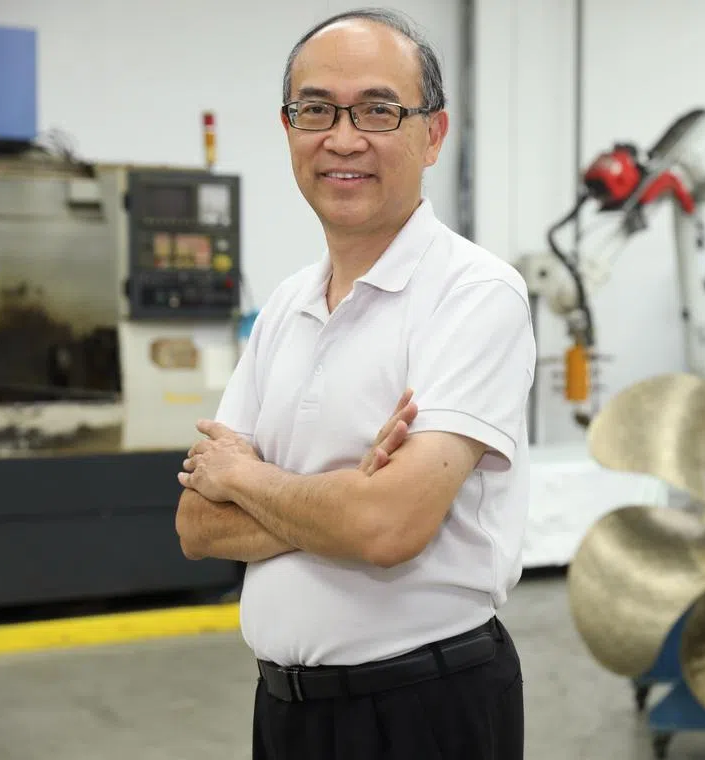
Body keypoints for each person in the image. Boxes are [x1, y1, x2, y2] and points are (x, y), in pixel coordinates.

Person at [173, 8, 536, 760]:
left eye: (378, 110)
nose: (342, 139)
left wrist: (250, 478)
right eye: (316, 110)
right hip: (285, 713)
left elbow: (387, 530)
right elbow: (196, 525)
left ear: (432, 135)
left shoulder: (475, 294)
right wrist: (346, 495)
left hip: (426, 711)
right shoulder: (283, 308)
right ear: (288, 129)